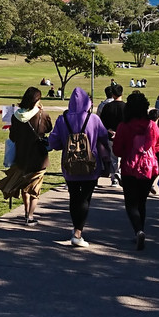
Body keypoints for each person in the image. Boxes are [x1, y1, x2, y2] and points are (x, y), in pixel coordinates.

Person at [47, 87, 111, 247]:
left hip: (70, 165)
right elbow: (103, 137)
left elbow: (54, 142)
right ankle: (78, 232)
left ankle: (76, 228)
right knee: (85, 198)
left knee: (74, 195)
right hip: (90, 164)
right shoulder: (94, 119)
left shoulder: (62, 119)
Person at [0, 87, 53, 224]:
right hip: (39, 158)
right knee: (35, 189)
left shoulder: (16, 117)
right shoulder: (42, 115)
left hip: (22, 156)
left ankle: (26, 212)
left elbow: (13, 136)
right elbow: (49, 128)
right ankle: (31, 216)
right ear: (37, 100)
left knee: (25, 187)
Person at [113, 92, 159, 251]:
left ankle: (138, 231)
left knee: (131, 203)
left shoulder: (124, 126)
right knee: (142, 202)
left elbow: (118, 150)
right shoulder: (152, 125)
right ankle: (141, 230)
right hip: (149, 168)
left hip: (130, 167)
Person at [98, 82, 126, 186]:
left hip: (110, 135)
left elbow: (102, 123)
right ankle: (122, 174)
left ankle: (114, 178)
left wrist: (109, 130)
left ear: (112, 94)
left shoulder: (107, 107)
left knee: (113, 157)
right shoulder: (126, 107)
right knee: (124, 157)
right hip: (124, 136)